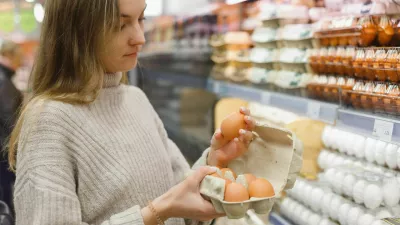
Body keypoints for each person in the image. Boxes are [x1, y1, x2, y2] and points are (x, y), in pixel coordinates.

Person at [7, 1, 256, 225]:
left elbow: (183, 204)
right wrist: (157, 211)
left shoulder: (135, 99)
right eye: (120, 24)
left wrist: (214, 162)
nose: (139, 38)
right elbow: (169, 205)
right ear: (79, 30)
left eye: (141, 20)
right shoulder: (49, 120)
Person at [0, 40, 23, 211]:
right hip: (3, 148)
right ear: (9, 55)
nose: (20, 61)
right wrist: (16, 147)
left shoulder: (4, 77)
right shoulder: (3, 79)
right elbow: (9, 117)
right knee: (6, 192)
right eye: (18, 57)